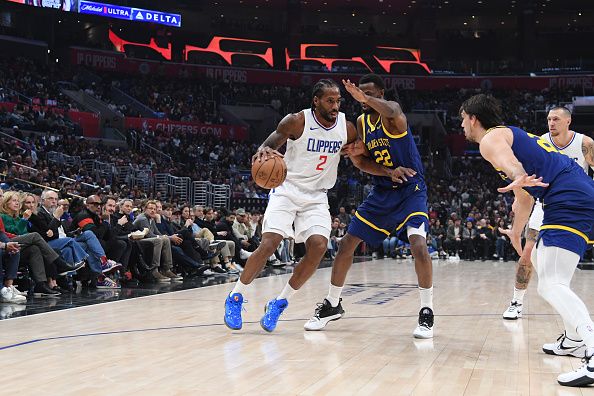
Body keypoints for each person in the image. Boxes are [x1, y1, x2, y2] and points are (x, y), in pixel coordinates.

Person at [460, 94, 594, 387]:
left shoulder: (491, 139)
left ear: (473, 117)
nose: (461, 126)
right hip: (570, 191)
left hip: (567, 195)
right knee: (542, 266)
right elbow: (523, 198)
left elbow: (511, 166)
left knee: (551, 283)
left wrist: (517, 174)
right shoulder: (512, 137)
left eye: (462, 119)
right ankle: (573, 339)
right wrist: (515, 231)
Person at [303, 75, 434, 338]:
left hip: (411, 190)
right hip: (383, 191)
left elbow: (395, 109)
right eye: (359, 93)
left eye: (369, 93)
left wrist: (367, 99)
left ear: (381, 93)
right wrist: (386, 171)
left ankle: (427, 312)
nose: (361, 97)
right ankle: (332, 304)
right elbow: (362, 163)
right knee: (347, 244)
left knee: (418, 245)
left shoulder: (392, 116)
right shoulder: (362, 123)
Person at [224, 78, 357, 332]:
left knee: (318, 247)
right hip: (287, 189)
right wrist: (262, 152)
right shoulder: (296, 121)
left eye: (338, 101)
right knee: (270, 242)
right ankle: (236, 296)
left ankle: (279, 302)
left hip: (317, 195)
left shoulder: (347, 127)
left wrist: (358, 149)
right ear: (316, 101)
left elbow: (359, 147)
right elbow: (268, 145)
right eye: (330, 101)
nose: (335, 106)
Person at [502, 106, 594, 320]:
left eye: (556, 119)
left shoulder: (585, 144)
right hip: (545, 206)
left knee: (560, 268)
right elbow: (529, 177)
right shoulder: (541, 141)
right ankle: (517, 301)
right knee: (527, 255)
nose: (551, 123)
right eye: (549, 119)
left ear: (568, 121)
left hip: (575, 208)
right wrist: (519, 198)